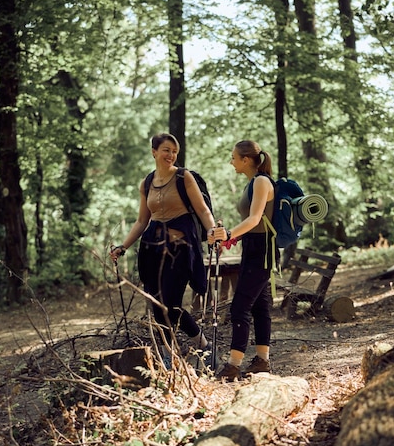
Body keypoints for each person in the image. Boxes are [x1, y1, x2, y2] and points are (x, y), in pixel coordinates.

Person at [110, 132, 216, 367]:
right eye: (166, 150)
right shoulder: (146, 182)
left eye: (174, 151)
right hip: (153, 248)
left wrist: (212, 232)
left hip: (180, 246)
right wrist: (123, 246)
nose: (171, 155)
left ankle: (203, 344)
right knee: (156, 303)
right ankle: (170, 354)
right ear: (154, 152)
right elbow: (141, 221)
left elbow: (202, 210)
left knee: (171, 303)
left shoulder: (183, 177)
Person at [208, 139, 278, 381]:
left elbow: (255, 219)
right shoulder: (253, 182)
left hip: (262, 250)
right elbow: (252, 225)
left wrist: (229, 234)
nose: (232, 162)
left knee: (240, 306)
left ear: (246, 160)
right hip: (253, 246)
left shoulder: (260, 181)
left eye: (234, 157)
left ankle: (234, 365)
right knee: (259, 305)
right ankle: (262, 361)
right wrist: (230, 239)